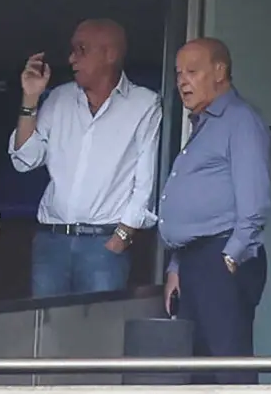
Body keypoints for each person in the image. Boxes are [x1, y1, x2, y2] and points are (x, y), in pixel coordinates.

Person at [9, 19, 162, 297]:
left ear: (110, 54)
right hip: (51, 240)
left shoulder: (144, 104)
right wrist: (30, 98)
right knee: (46, 324)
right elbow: (24, 160)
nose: (71, 59)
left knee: (100, 324)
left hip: (104, 244)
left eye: (81, 50)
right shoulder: (58, 98)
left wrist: (122, 237)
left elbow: (146, 180)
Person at [158, 37, 271, 385]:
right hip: (196, 260)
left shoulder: (239, 120)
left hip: (219, 257)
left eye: (192, 72)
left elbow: (255, 203)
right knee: (197, 371)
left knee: (228, 368)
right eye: (178, 73)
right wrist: (177, 266)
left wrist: (229, 259)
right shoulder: (204, 124)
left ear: (219, 72)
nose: (182, 81)